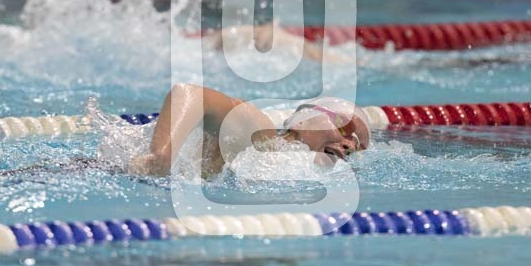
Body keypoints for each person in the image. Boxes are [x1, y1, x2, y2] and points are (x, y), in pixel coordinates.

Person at [129, 84, 371, 177]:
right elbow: (190, 94)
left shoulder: (286, 172)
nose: (350, 145)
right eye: (345, 127)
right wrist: (161, 156)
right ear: (302, 121)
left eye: (358, 146)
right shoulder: (262, 137)